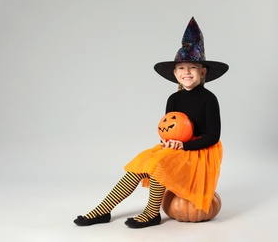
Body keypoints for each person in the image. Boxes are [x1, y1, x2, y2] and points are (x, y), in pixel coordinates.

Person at [73, 17, 228, 228]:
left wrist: (184, 145)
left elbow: (213, 136)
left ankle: (151, 212)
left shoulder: (209, 99)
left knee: (159, 164)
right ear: (175, 74)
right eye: (181, 68)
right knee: (141, 162)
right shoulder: (173, 99)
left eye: (192, 68)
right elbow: (169, 129)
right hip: (176, 147)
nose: (187, 73)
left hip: (200, 151)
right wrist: (169, 143)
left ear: (202, 73)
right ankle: (103, 210)